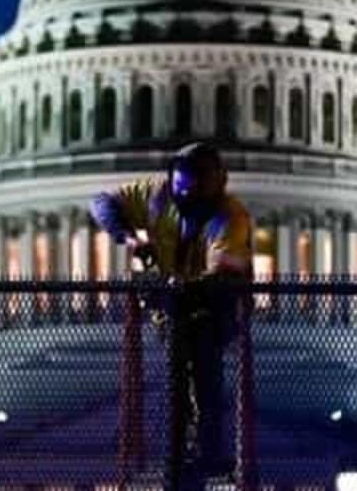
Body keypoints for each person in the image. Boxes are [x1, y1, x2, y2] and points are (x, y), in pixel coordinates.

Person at [89, 141, 253, 482]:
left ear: (216, 185)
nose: (184, 195)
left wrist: (176, 289)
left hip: (214, 305)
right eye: (179, 186)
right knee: (178, 379)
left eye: (193, 188)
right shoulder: (159, 196)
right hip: (174, 307)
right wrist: (130, 238)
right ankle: (185, 448)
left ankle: (207, 448)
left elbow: (219, 271)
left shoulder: (230, 216)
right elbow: (101, 202)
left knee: (204, 365)